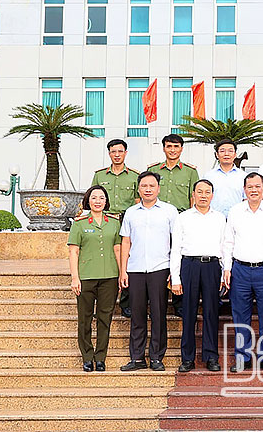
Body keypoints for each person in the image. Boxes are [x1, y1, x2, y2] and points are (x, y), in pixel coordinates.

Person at [222, 172, 263, 372]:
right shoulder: (235, 211)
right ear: (244, 189)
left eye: (258, 186)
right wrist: (227, 268)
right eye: (250, 187)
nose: (254, 190)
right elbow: (228, 241)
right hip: (240, 269)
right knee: (240, 315)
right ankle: (243, 357)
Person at [119, 172, 177, 372]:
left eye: (152, 186)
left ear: (158, 188)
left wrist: (174, 271)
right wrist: (123, 271)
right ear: (139, 189)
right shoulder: (131, 212)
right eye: (144, 186)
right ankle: (137, 358)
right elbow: (125, 242)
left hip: (160, 268)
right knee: (137, 315)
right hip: (135, 269)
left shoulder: (169, 211)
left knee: (159, 314)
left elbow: (176, 243)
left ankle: (156, 357)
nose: (148, 189)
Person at [170, 179, 226, 373]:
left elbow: (224, 246)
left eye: (207, 192)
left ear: (212, 195)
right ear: (192, 194)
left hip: (212, 266)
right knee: (188, 313)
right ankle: (187, 358)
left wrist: (224, 271)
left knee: (211, 312)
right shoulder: (183, 218)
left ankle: (211, 356)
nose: (203, 195)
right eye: (199, 191)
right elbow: (175, 248)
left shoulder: (219, 218)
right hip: (190, 266)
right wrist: (175, 278)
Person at [68, 185, 121, 372]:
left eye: (101, 198)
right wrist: (75, 277)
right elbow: (74, 251)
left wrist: (122, 273)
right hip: (86, 277)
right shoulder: (79, 223)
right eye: (94, 198)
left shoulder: (114, 223)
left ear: (106, 201)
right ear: (88, 201)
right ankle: (87, 356)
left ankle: (100, 357)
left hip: (109, 277)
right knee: (85, 318)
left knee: (105, 318)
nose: (97, 201)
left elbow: (117, 249)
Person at [148, 133, 199, 318]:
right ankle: (156, 299)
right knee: (157, 259)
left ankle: (179, 302)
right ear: (163, 148)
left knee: (179, 259)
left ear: (181, 149)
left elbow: (193, 198)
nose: (172, 150)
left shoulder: (190, 172)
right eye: (169, 146)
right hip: (156, 222)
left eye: (176, 147)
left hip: (180, 220)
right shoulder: (153, 169)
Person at [91, 138, 138, 317]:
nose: (117, 155)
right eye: (113, 152)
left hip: (126, 221)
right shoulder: (100, 175)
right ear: (109, 153)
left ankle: (126, 303)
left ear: (126, 153)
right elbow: (93, 198)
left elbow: (137, 203)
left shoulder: (135, 176)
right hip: (105, 221)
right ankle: (100, 305)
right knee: (103, 261)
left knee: (126, 261)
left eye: (120, 151)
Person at [204, 139, 247, 215]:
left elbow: (246, 199)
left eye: (230, 151)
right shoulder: (208, 176)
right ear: (217, 155)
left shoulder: (243, 176)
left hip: (237, 217)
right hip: (213, 218)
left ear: (235, 154)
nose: (226, 154)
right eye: (222, 151)